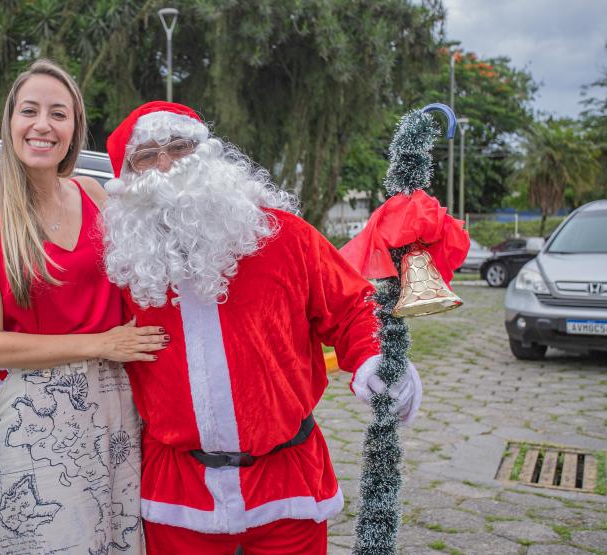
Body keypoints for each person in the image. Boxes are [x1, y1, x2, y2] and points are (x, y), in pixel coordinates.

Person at [101, 101, 423, 554]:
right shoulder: (122, 267)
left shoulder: (284, 236)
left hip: (285, 483)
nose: (167, 163)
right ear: (128, 178)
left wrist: (375, 360)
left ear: (207, 154)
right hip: (179, 492)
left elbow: (353, 306)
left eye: (179, 146)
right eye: (147, 155)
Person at [0, 60, 166, 554]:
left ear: (74, 129)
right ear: (10, 123)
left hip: (119, 404)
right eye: (29, 111)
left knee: (123, 545)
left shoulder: (95, 194)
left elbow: (148, 276)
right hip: (38, 420)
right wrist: (102, 343)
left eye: (59, 113)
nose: (43, 124)